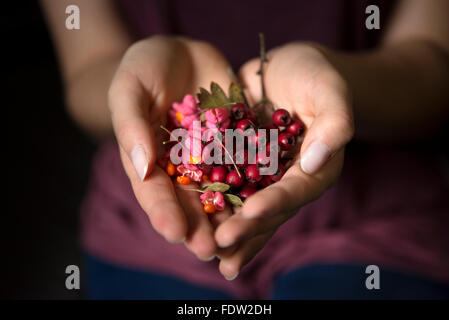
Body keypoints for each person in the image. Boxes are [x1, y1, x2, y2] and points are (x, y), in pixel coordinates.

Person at [41, 0, 449, 299]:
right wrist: (130, 87)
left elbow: (436, 69)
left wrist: (337, 81)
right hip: (143, 230)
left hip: (378, 225)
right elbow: (86, 69)